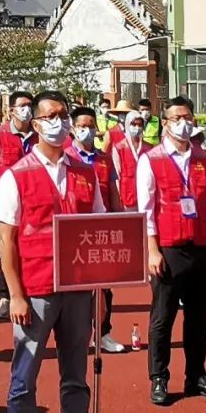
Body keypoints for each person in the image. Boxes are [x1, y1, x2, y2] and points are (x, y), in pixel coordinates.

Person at [0, 90, 118, 413]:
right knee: (24, 379)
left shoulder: (85, 173)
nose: (59, 123)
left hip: (78, 290)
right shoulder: (16, 175)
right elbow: (6, 242)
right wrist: (15, 293)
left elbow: (98, 233)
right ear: (34, 122)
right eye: (50, 115)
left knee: (76, 376)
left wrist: (100, 293)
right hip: (36, 290)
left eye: (63, 115)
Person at [139, 95, 206, 405]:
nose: (184, 122)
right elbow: (146, 207)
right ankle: (159, 377)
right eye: (177, 117)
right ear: (165, 123)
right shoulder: (151, 159)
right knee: (163, 316)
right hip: (169, 247)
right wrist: (152, 250)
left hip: (202, 245)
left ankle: (197, 375)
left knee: (198, 317)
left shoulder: (203, 158)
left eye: (188, 117)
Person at [70, 106, 125, 353]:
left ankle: (103, 333)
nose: (87, 130)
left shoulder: (104, 160)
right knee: (74, 289)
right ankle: (75, 335)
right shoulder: (66, 157)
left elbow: (113, 194)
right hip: (72, 232)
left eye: (91, 126)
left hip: (101, 232)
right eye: (82, 126)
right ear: (73, 128)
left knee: (105, 288)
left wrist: (121, 222)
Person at [0, 91, 36, 319]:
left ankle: (29, 290)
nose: (27, 109)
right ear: (12, 110)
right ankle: (4, 295)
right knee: (4, 247)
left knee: (30, 245)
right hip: (7, 201)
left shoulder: (39, 133)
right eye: (23, 105)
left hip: (33, 199)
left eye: (30, 105)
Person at [112, 109, 150, 212]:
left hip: (146, 196)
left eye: (140, 125)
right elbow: (116, 176)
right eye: (133, 124)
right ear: (128, 124)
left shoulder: (149, 148)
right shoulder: (119, 148)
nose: (137, 128)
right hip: (127, 196)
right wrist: (118, 199)